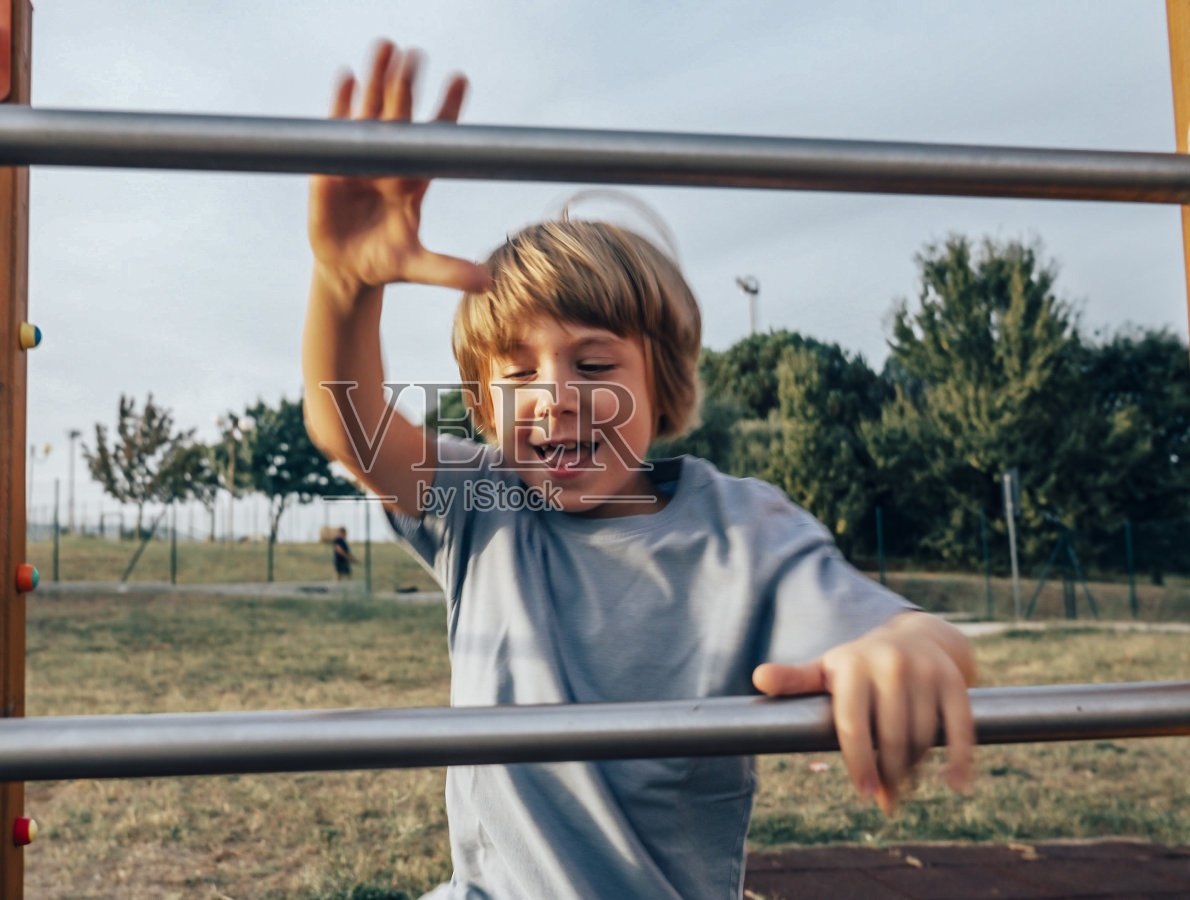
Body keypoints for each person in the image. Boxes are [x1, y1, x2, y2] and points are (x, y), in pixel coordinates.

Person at [300, 41, 977, 900]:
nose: (554, 398)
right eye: (517, 373)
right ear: (479, 409)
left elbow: (892, 631)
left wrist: (910, 646)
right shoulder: (480, 505)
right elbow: (345, 426)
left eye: (593, 365)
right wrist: (344, 286)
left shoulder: (740, 532)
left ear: (663, 389)